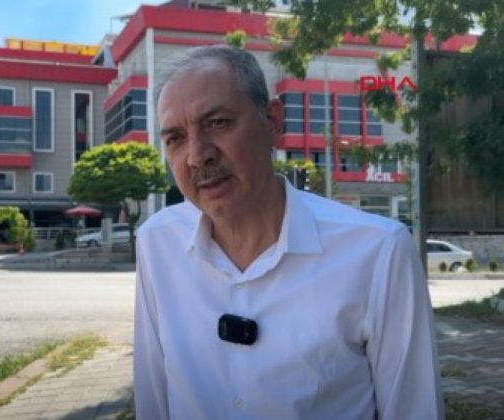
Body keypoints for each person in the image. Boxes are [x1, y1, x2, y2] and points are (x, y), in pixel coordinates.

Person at [134, 45, 442, 419]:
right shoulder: (157, 243)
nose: (197, 155)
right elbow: (152, 401)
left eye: (218, 123)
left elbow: (415, 409)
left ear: (273, 121)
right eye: (175, 138)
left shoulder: (378, 252)